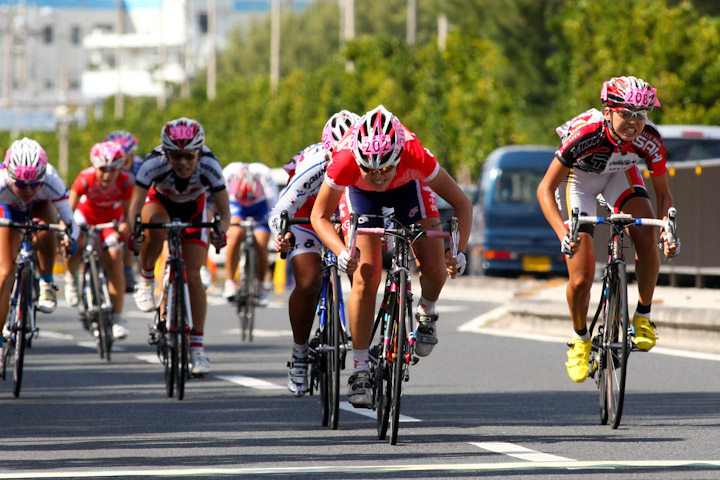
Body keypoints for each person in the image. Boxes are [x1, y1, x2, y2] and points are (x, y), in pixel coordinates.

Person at [310, 105, 472, 407]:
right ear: (357, 159)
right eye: (369, 169)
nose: (378, 176)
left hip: (409, 188)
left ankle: (427, 311)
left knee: (435, 265)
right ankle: (359, 369)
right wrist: (341, 252)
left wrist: (459, 251)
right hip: (361, 197)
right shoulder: (345, 161)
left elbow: (462, 204)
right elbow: (319, 216)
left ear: (399, 156)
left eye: (385, 168)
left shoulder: (415, 155)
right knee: (366, 273)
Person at [536, 76, 680, 384]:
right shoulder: (585, 135)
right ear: (608, 112)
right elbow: (545, 189)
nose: (633, 122)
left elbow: (664, 193)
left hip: (619, 176)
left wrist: (668, 229)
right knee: (582, 273)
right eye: (626, 113)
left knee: (646, 236)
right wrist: (564, 235)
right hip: (580, 184)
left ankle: (642, 316)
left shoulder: (651, 138)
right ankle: (580, 339)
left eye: (641, 115)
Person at [128, 117, 230, 376]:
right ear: (166, 153)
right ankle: (147, 277)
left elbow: (224, 210)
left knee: (194, 276)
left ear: (199, 152)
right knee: (155, 225)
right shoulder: (153, 163)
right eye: (176, 156)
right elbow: (134, 207)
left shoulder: (210, 164)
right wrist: (135, 232)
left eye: (189, 156)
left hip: (193, 208)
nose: (183, 162)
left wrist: (221, 232)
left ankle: (197, 349)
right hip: (160, 202)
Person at [271, 109, 360, 397]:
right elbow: (281, 211)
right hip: (306, 218)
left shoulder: (365, 161)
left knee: (363, 274)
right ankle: (299, 354)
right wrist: (281, 236)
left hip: (344, 219)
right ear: (327, 152)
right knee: (308, 281)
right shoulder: (313, 164)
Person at [0, 138, 78, 365]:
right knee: (5, 273)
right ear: (9, 174)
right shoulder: (2, 179)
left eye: (34, 184)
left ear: (42, 176)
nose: (27, 190)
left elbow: (69, 221)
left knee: (47, 225)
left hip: (42, 209)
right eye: (21, 185)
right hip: (9, 210)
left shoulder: (51, 178)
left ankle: (46, 281)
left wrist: (69, 241)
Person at [63, 141, 133, 340]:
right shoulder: (85, 178)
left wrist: (125, 227)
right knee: (77, 241)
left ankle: (118, 317)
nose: (107, 175)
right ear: (95, 166)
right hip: (85, 216)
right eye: (102, 169)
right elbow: (68, 211)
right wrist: (69, 231)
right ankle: (71, 277)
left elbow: (128, 214)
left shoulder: (126, 182)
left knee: (115, 256)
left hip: (109, 221)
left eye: (113, 170)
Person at [221, 162, 279, 306]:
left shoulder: (264, 174)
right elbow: (220, 203)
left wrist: (276, 227)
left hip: (260, 206)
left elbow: (274, 203)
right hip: (236, 205)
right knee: (235, 235)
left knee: (261, 242)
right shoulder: (228, 173)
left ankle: (260, 286)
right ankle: (230, 282)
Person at [104, 130, 143, 293]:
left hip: (131, 201)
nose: (125, 160)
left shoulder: (140, 167)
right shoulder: (104, 164)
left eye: (128, 155)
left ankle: (127, 270)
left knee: (130, 228)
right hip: (109, 203)